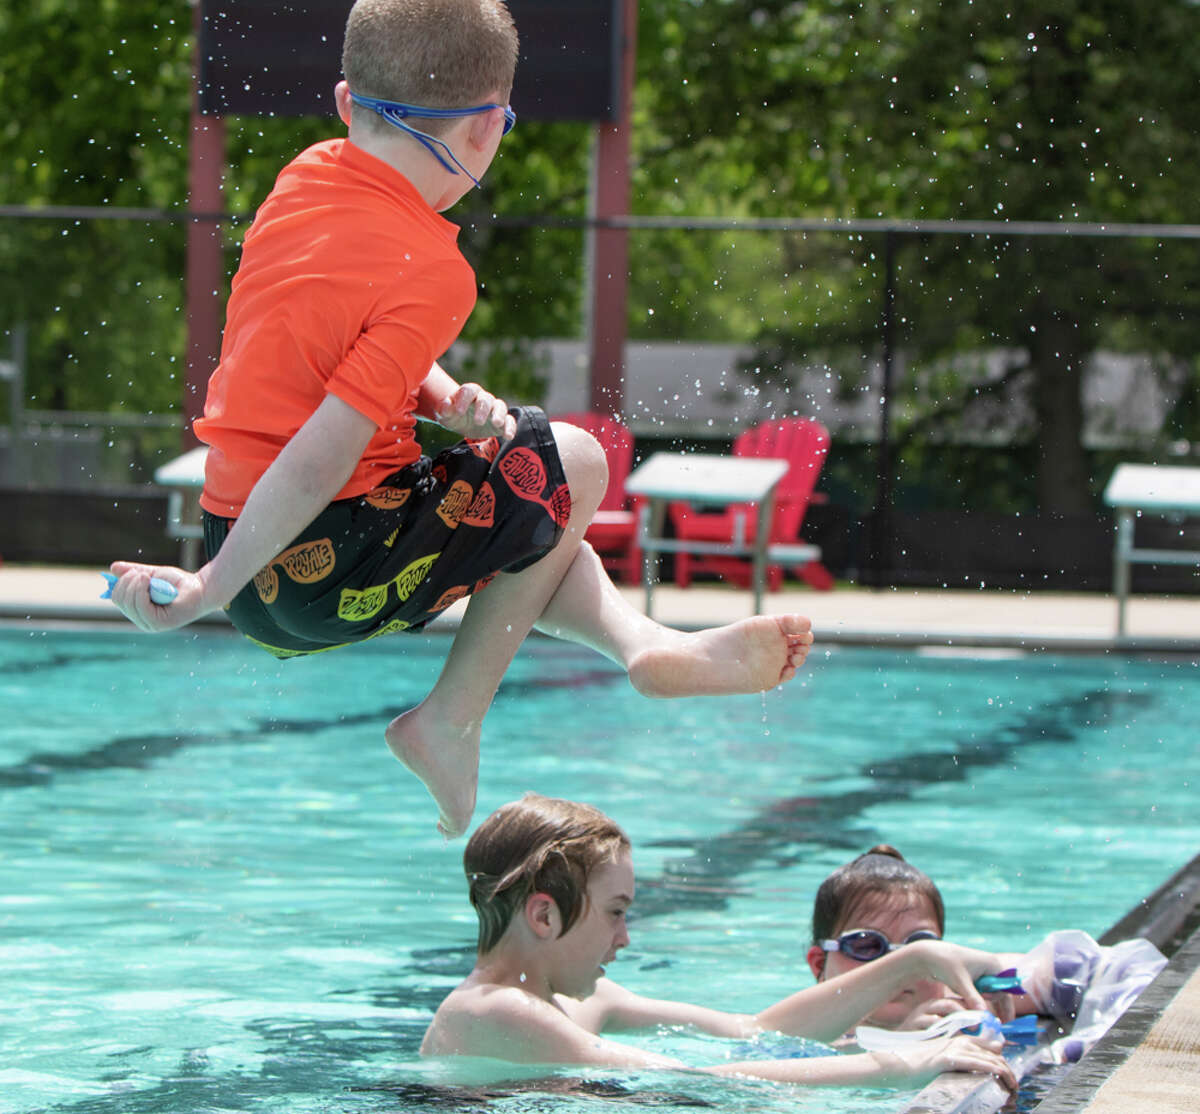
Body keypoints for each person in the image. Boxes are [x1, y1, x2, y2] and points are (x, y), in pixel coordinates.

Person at [105, 0, 813, 839]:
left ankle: (641, 643)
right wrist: (204, 595)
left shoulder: (306, 179)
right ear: (487, 131)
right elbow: (321, 450)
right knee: (576, 464)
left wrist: (444, 399)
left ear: (344, 103)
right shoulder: (431, 268)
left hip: (253, 545)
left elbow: (338, 355)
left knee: (532, 508)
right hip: (319, 560)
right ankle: (449, 719)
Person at [422, 794, 1018, 1091]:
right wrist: (892, 1067)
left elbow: (752, 1032)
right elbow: (693, 1080)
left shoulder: (572, 1001)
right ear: (545, 917)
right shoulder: (495, 1010)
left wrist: (908, 967)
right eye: (615, 912)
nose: (625, 938)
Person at [806, 845, 1167, 1055]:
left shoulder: (965, 997)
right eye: (869, 946)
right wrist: (903, 1046)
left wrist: (1069, 1056)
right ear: (819, 963)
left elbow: (1119, 967)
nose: (901, 966)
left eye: (921, 947)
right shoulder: (805, 1043)